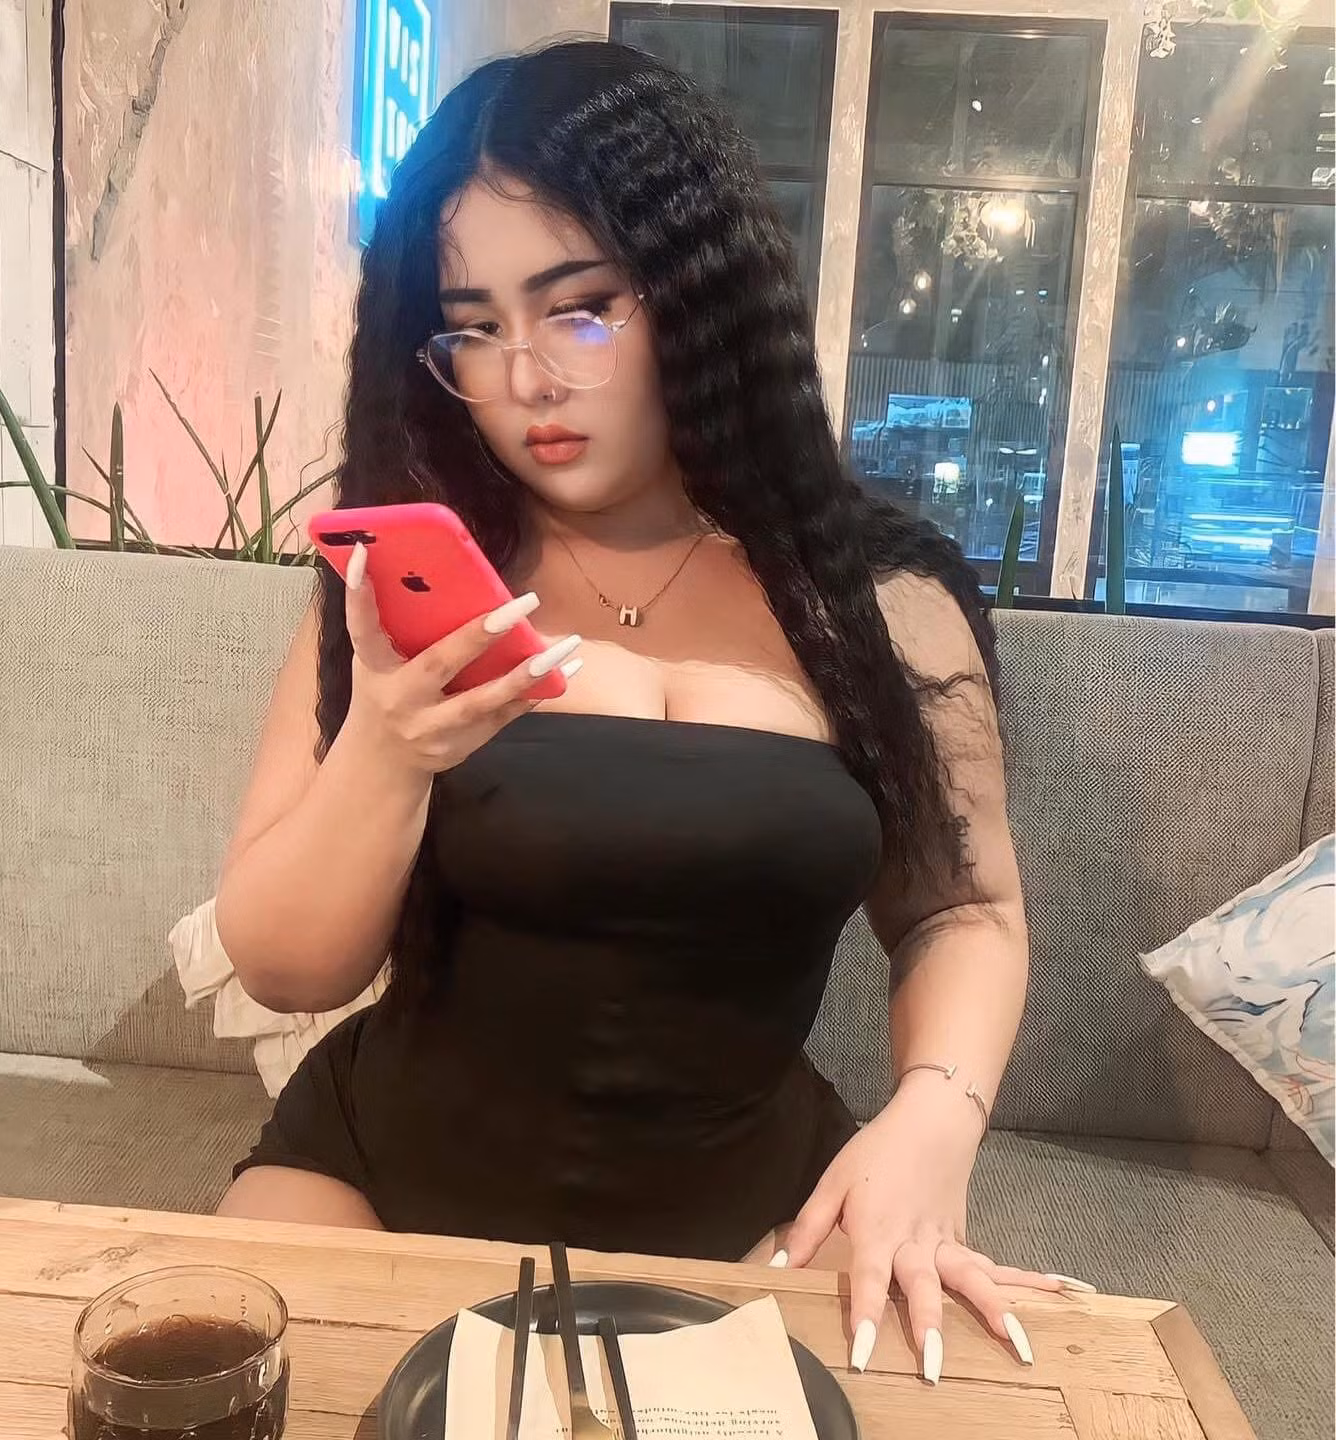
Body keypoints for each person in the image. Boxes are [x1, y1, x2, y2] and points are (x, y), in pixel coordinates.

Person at [215, 40, 1089, 1384]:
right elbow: (285, 968)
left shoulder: (882, 605)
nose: (525, 379)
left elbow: (961, 909)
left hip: (757, 1214)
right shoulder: (408, 592)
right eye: (472, 327)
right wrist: (388, 744)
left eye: (579, 309)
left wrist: (936, 1117)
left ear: (699, 293)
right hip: (373, 1181)